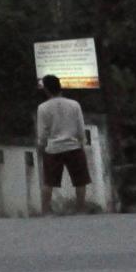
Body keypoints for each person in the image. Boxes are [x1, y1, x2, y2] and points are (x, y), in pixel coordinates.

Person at [36, 75, 90, 215]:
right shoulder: (74, 104)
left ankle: (45, 211)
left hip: (53, 149)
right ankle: (80, 209)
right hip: (73, 146)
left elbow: (42, 132)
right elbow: (80, 126)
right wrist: (82, 142)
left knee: (48, 182)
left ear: (46, 90)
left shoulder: (43, 108)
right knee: (80, 181)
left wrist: (41, 145)